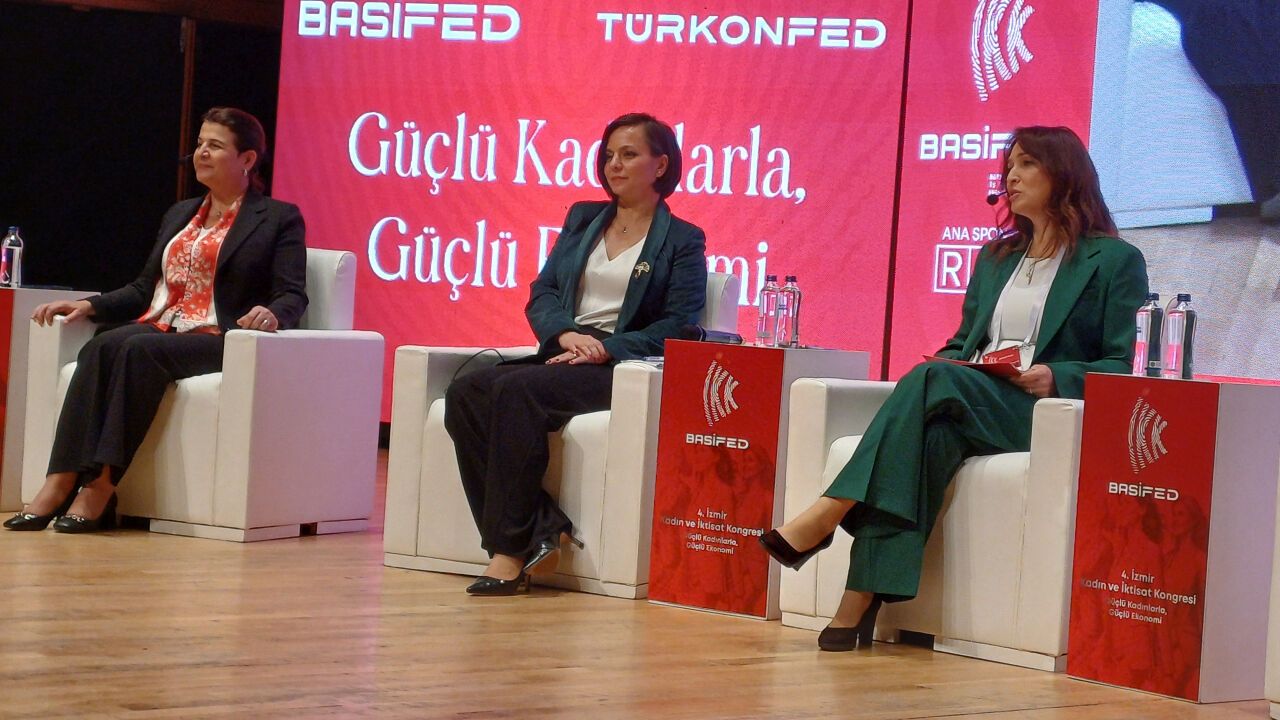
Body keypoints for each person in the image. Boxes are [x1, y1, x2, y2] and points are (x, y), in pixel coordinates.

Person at [759, 126, 1149, 650]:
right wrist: (950, 362)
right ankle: (858, 601)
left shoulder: (1114, 260)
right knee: (929, 440)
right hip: (978, 394)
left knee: (932, 379)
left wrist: (1057, 375)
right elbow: (964, 343)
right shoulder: (997, 258)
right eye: (1008, 166)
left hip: (1040, 410)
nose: (1011, 176)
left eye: (1026, 164)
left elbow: (1123, 364)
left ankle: (830, 510)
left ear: (1064, 173)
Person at [5, 107, 307, 533]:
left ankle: (102, 485)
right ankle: (60, 480)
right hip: (162, 327)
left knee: (136, 348)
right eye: (200, 144)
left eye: (215, 145)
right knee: (101, 345)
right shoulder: (180, 213)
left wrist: (273, 313)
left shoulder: (277, 218)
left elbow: (293, 292)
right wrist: (90, 306)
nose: (201, 153)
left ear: (247, 159)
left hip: (220, 335)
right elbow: (145, 288)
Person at [444, 112, 707, 596]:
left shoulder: (683, 239)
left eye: (628, 154)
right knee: (466, 392)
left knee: (517, 391)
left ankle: (509, 552)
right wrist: (565, 334)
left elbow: (679, 325)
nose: (614, 165)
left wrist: (606, 348)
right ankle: (544, 527)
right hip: (566, 349)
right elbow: (543, 290)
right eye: (609, 155)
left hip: (619, 363)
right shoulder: (583, 218)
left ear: (661, 164)